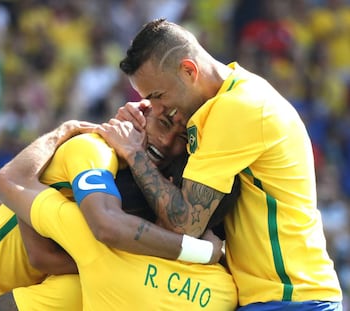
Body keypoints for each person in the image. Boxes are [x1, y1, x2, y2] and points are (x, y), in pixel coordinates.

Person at [91, 18, 343, 310]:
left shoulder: (236, 108)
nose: (158, 108)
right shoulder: (225, 101)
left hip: (292, 298)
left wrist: (133, 152)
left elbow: (185, 223)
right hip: (274, 298)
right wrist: (143, 126)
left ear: (189, 70)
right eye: (148, 101)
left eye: (158, 97)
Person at [0, 110, 239, 310]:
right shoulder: (224, 288)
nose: (165, 140)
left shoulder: (111, 246)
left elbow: (40, 245)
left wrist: (61, 132)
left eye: (178, 139)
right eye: (162, 123)